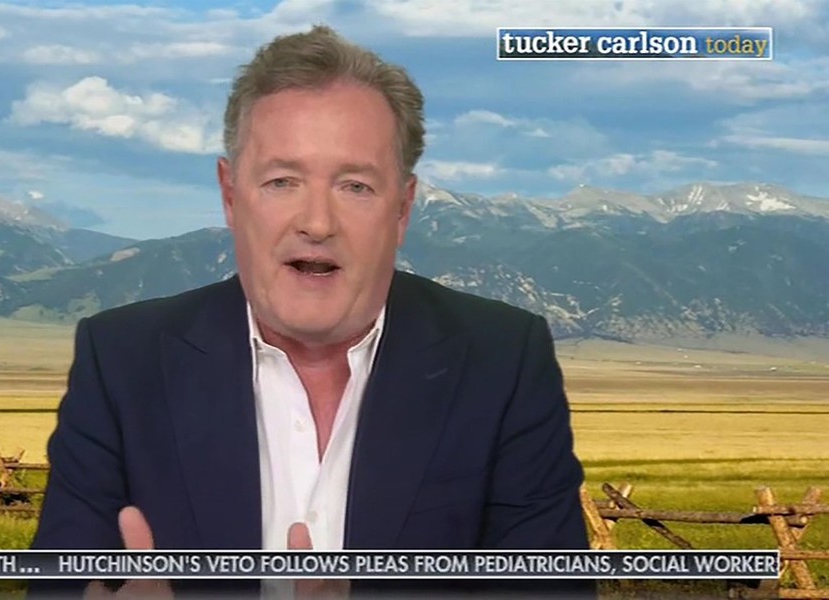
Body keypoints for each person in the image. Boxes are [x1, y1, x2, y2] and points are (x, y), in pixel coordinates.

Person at [29, 24, 591, 599]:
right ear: (231, 195)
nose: (317, 223)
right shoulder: (122, 361)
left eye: (355, 186)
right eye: (282, 181)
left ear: (402, 209)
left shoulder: (503, 360)